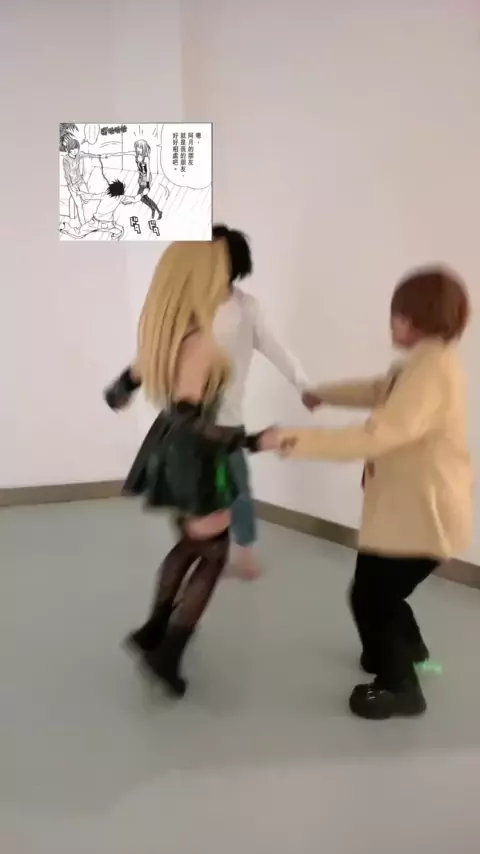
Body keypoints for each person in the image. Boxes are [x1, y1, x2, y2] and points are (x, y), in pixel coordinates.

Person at [272, 267, 472, 720]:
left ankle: (401, 687)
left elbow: (375, 436)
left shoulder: (432, 372)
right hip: (405, 511)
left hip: (424, 516)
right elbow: (379, 391)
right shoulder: (421, 363)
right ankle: (409, 651)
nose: (391, 324)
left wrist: (288, 439)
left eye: (397, 315)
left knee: (372, 596)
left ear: (418, 319)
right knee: (377, 589)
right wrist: (322, 395)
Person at [104, 241, 273, 697]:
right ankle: (167, 654)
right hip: (194, 455)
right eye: (218, 274)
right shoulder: (198, 342)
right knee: (213, 551)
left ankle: (153, 630)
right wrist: (251, 441)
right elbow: (189, 419)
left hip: (164, 452)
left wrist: (128, 392)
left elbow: (118, 392)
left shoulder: (163, 337)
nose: (225, 283)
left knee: (191, 542)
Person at [212, 224, 310, 579]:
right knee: (196, 491)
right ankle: (208, 552)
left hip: (227, 417)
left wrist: (302, 383)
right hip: (187, 417)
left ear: (234, 264)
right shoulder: (187, 306)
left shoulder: (246, 308)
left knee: (235, 486)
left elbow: (274, 347)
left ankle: (244, 550)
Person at [60, 180, 137, 240]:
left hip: (95, 221)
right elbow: (134, 199)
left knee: (79, 233)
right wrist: (142, 194)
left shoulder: (104, 195)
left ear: (110, 189)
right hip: (107, 224)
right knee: (117, 230)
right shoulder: (121, 197)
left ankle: (65, 227)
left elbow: (91, 196)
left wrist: (81, 193)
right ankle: (116, 235)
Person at [133, 139, 163, 220]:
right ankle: (156, 210)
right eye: (137, 147)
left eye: (140, 147)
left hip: (146, 178)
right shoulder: (137, 156)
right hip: (140, 177)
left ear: (144, 148)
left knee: (141, 197)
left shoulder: (146, 158)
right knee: (144, 197)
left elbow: (148, 171)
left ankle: (155, 210)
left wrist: (147, 184)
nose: (138, 149)